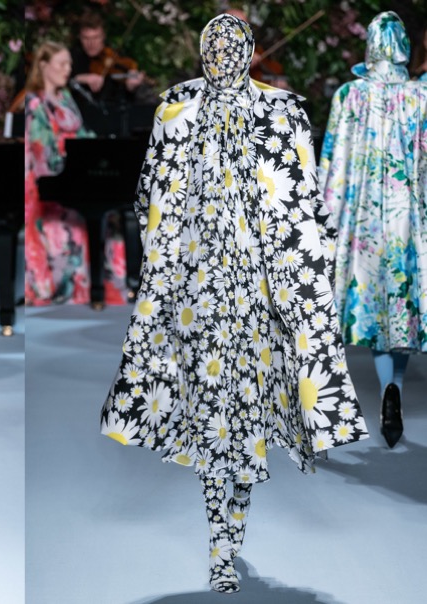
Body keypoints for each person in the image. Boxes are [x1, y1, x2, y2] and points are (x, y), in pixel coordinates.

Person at [101, 15, 367, 594]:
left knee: (242, 415)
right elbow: (153, 194)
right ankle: (222, 543)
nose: (222, 58)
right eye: (214, 49)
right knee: (215, 412)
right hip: (203, 291)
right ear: (205, 53)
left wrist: (308, 273)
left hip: (257, 290)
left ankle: (230, 538)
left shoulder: (280, 112)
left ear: (246, 53)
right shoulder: (178, 109)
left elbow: (303, 201)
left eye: (230, 49)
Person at [319, 12, 427, 448]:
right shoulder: (421, 97)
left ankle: (387, 389)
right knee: (400, 306)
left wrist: (327, 218)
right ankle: (393, 387)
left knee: (374, 309)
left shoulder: (350, 96)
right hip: (407, 217)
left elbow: (334, 161)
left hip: (364, 220)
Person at [22, 41, 126, 305]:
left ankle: (96, 286)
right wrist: (71, 163)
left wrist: (99, 149)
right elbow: (40, 149)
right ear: (43, 66)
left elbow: (80, 134)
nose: (68, 69)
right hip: (49, 178)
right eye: (61, 64)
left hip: (74, 172)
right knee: (68, 224)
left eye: (69, 63)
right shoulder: (34, 102)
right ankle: (63, 288)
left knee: (107, 216)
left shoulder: (67, 97)